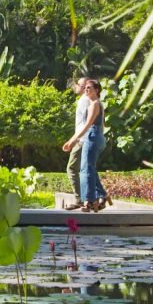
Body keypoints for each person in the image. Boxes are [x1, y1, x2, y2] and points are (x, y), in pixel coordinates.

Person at [62, 79, 111, 212]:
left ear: (97, 90)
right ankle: (98, 198)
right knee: (88, 170)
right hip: (93, 136)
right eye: (85, 87)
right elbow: (101, 124)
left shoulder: (93, 103)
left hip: (89, 137)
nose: (86, 89)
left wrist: (73, 140)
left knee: (85, 171)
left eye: (88, 87)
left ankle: (88, 201)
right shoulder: (95, 103)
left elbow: (88, 124)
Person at [64, 77, 90, 210]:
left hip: (82, 140)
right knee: (85, 170)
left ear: (85, 86)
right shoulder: (85, 100)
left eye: (78, 84)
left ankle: (80, 199)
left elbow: (87, 123)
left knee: (72, 168)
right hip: (83, 139)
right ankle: (90, 199)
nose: (75, 86)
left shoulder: (85, 101)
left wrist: (74, 140)